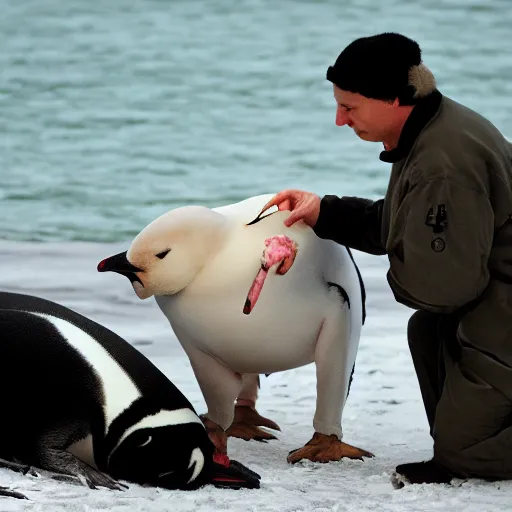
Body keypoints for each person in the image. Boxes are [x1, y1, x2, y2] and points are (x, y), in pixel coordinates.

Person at [260, 32, 512, 486]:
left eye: (350, 108)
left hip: (502, 302)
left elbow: (444, 288)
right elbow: (403, 224)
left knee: (468, 454)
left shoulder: (443, 162)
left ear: (394, 99)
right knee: (428, 331)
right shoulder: (431, 128)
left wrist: (395, 273)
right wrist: (324, 212)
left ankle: (466, 449)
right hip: (490, 292)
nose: (339, 120)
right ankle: (465, 439)